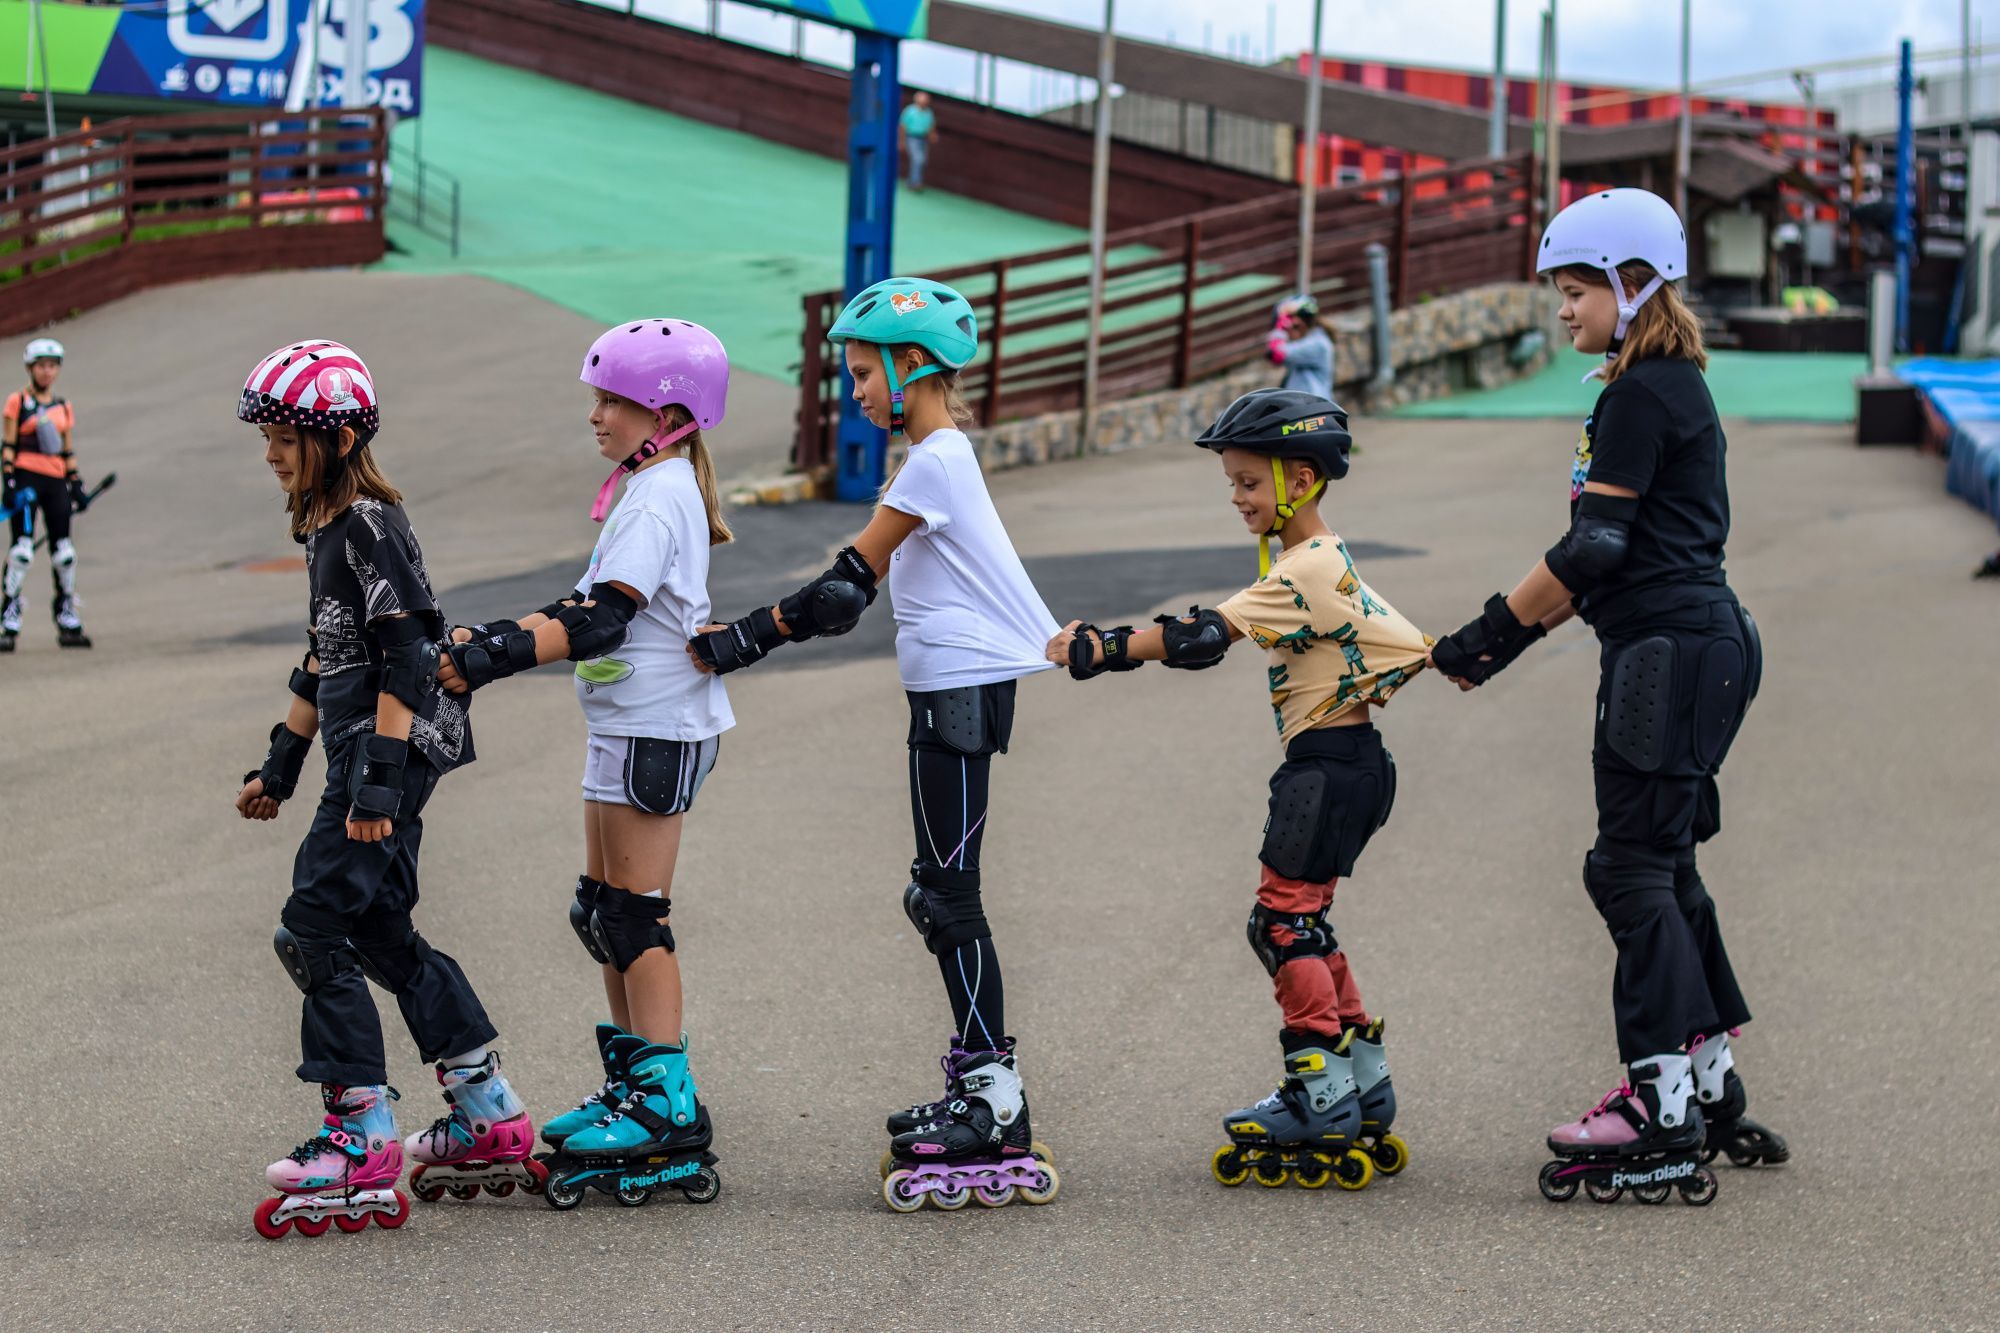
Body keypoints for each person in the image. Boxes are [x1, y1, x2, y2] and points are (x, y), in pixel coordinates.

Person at [1427, 188, 1788, 1207]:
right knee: (1660, 863)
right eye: (1558, 289)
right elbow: (1608, 556)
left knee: (1624, 868)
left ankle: (1657, 1098)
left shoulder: (1638, 394)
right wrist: (1493, 644)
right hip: (1701, 643)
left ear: (1633, 286)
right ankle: (1705, 1078)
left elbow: (1594, 547)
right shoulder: (1667, 385)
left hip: (1665, 655)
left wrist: (1484, 639)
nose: (1561, 307)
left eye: (1576, 288)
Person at [689, 276, 1061, 1214]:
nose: (852, 391)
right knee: (938, 892)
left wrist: (742, 641)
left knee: (947, 896)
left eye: (862, 373)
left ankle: (993, 1099)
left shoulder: (933, 459)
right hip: (950, 693)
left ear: (914, 366)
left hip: (961, 693)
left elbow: (844, 590)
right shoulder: (933, 458)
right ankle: (985, 1085)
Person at [1046, 387, 1428, 1192]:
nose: (1238, 498)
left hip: (1324, 767)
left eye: (1250, 481)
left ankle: (1320, 1094)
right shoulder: (1320, 558)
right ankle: (1362, 1080)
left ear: (1302, 477)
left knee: (1281, 923)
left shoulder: (1305, 568)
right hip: (1350, 761)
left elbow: (1199, 637)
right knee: (1306, 920)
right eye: (1232, 482)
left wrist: (1101, 646)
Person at [232, 339, 538, 1238]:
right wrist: (279, 767)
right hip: (372, 752)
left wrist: (376, 786)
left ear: (334, 436)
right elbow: (326, 654)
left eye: (286, 434)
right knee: (378, 928)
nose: (271, 451)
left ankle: (359, 1130)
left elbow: (410, 652)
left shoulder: (369, 522)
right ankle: (487, 1107)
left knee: (314, 924)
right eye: (268, 436)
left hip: (391, 753)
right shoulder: (330, 525)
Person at [435, 319, 732, 1209]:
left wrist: (491, 660)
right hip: (624, 723)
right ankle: (634, 1087)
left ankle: (666, 1107)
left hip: (656, 726)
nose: (596, 415)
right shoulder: (647, 483)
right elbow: (585, 605)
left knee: (635, 916)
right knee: (601, 912)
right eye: (597, 399)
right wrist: (495, 635)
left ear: (668, 412)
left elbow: (604, 617)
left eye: (613, 401)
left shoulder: (661, 492)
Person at [3, 338, 93, 649]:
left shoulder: (62, 406)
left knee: (64, 553)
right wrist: (9, 482)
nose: (47, 372)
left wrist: (76, 482)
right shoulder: (18, 402)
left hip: (55, 483)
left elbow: (67, 448)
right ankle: (9, 616)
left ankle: (66, 614)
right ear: (31, 368)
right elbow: (9, 445)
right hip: (27, 480)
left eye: (52, 366)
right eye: (41, 366)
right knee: (22, 551)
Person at [1266, 294, 1336, 400]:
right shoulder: (1313, 341)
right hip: (1307, 410)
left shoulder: (1317, 344)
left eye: (1293, 326)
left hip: (1314, 411)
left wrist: (1280, 327)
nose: (1288, 331)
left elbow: (1275, 353)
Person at [899, 90, 939, 192]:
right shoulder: (910, 111)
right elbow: (902, 126)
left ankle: (912, 181)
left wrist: (932, 135)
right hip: (911, 138)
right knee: (918, 159)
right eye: (922, 98)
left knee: (922, 161)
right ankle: (916, 183)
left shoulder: (928, 113)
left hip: (923, 139)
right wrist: (902, 140)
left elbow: (930, 127)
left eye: (926, 99)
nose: (925, 101)